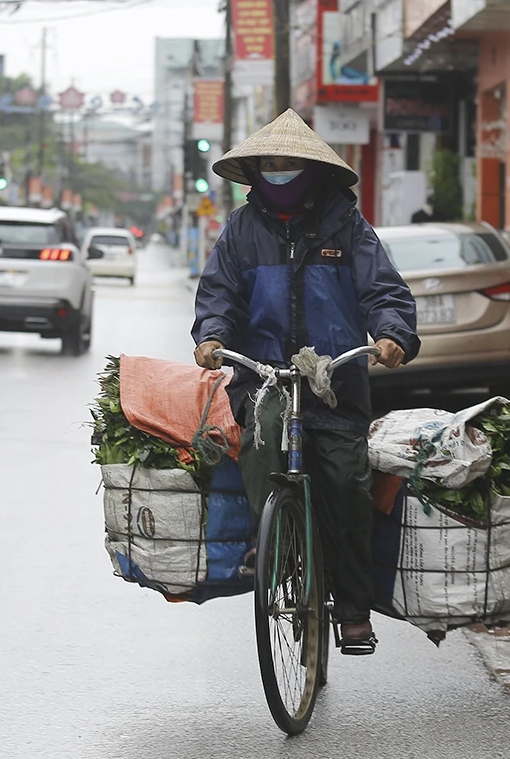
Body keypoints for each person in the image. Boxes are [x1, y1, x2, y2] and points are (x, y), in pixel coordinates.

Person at [192, 109, 419, 654]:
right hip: (263, 377)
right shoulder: (242, 230)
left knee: (346, 483)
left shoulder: (346, 226)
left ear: (311, 170)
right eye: (270, 163)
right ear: (256, 171)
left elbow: (384, 291)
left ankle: (353, 607)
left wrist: (391, 334)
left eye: (288, 163)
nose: (279, 171)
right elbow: (218, 294)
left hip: (336, 383)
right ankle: (269, 544)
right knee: (261, 445)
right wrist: (212, 336)